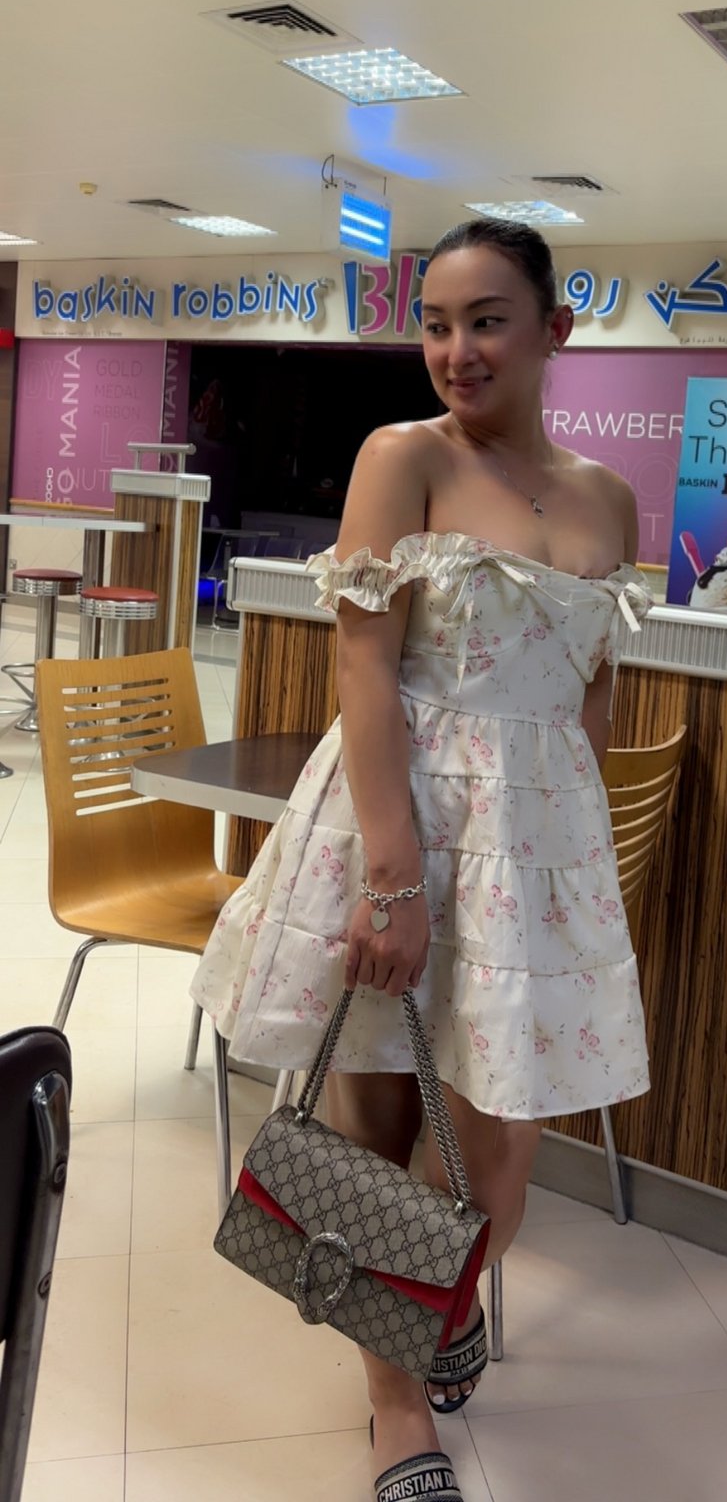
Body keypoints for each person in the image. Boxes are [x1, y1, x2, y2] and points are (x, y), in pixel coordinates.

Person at [191, 219, 653, 1502]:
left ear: (554, 329)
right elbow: (363, 665)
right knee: (381, 1119)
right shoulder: (403, 457)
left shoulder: (608, 498)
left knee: (496, 1151)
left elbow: (592, 688)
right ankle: (397, 1415)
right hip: (401, 822)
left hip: (535, 849)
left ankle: (425, 1300)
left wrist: (569, 848)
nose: (457, 349)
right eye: (436, 324)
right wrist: (390, 876)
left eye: (487, 319)